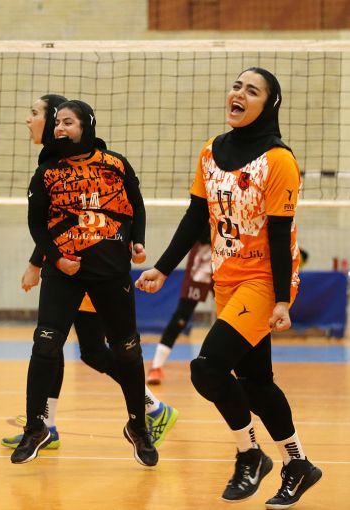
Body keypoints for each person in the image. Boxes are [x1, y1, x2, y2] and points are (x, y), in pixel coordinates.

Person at [136, 68, 321, 508]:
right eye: (237, 86)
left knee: (207, 369)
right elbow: (195, 216)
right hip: (227, 278)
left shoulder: (278, 160)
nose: (238, 93)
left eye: (251, 90)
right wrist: (163, 268)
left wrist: (281, 299)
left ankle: (249, 454)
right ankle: (298, 464)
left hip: (264, 281)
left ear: (268, 105)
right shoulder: (210, 150)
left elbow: (280, 233)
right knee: (255, 383)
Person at [1, 95, 178, 452]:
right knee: (59, 344)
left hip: (99, 265)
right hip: (71, 265)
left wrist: (36, 263)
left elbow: (84, 215)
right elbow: (55, 220)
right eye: (53, 121)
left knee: (92, 349)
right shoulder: (50, 167)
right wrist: (44, 260)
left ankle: (150, 408)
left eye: (36, 114)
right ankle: (47, 424)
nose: (29, 120)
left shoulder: (104, 163)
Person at [146, 228, 212, 385]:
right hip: (204, 259)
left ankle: (243, 370)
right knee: (181, 316)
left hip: (231, 258)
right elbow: (192, 229)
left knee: (235, 315)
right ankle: (156, 366)